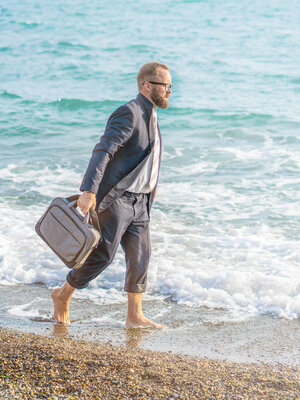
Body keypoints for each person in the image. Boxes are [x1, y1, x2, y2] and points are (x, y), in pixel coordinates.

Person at [51, 61, 172, 328]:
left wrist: (152, 188)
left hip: (141, 201)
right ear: (147, 85)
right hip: (117, 200)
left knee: (141, 255)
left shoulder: (151, 114)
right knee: (103, 255)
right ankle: (62, 294)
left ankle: (134, 316)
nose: (169, 91)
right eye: (166, 86)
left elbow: (146, 157)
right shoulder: (129, 112)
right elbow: (103, 150)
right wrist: (89, 190)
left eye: (171, 86)